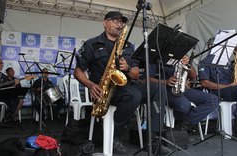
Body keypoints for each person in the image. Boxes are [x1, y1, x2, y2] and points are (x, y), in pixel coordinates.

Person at [74, 11, 142, 154]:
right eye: (115, 20)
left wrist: (127, 68)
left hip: (123, 87)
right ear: (104, 23)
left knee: (136, 94)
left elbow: (135, 75)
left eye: (121, 22)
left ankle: (112, 134)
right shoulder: (91, 44)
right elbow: (78, 71)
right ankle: (111, 134)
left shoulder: (128, 46)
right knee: (133, 96)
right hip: (101, 90)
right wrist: (91, 85)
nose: (119, 24)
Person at [198, 46, 237, 142]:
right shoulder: (204, 62)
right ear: (210, 47)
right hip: (217, 91)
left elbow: (231, 80)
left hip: (230, 89)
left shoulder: (226, 63)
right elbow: (205, 83)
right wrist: (229, 86)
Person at [149, 55, 218, 130]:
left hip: (182, 89)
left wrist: (188, 64)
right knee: (184, 105)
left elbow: (193, 76)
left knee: (213, 99)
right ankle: (180, 124)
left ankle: (184, 125)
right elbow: (146, 79)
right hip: (163, 90)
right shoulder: (155, 55)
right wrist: (166, 82)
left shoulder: (181, 53)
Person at [0, 58, 20, 124]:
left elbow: (8, 89)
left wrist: (14, 85)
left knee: (14, 99)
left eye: (2, 63)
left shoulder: (4, 77)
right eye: (0, 63)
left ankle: (6, 119)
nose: (2, 65)